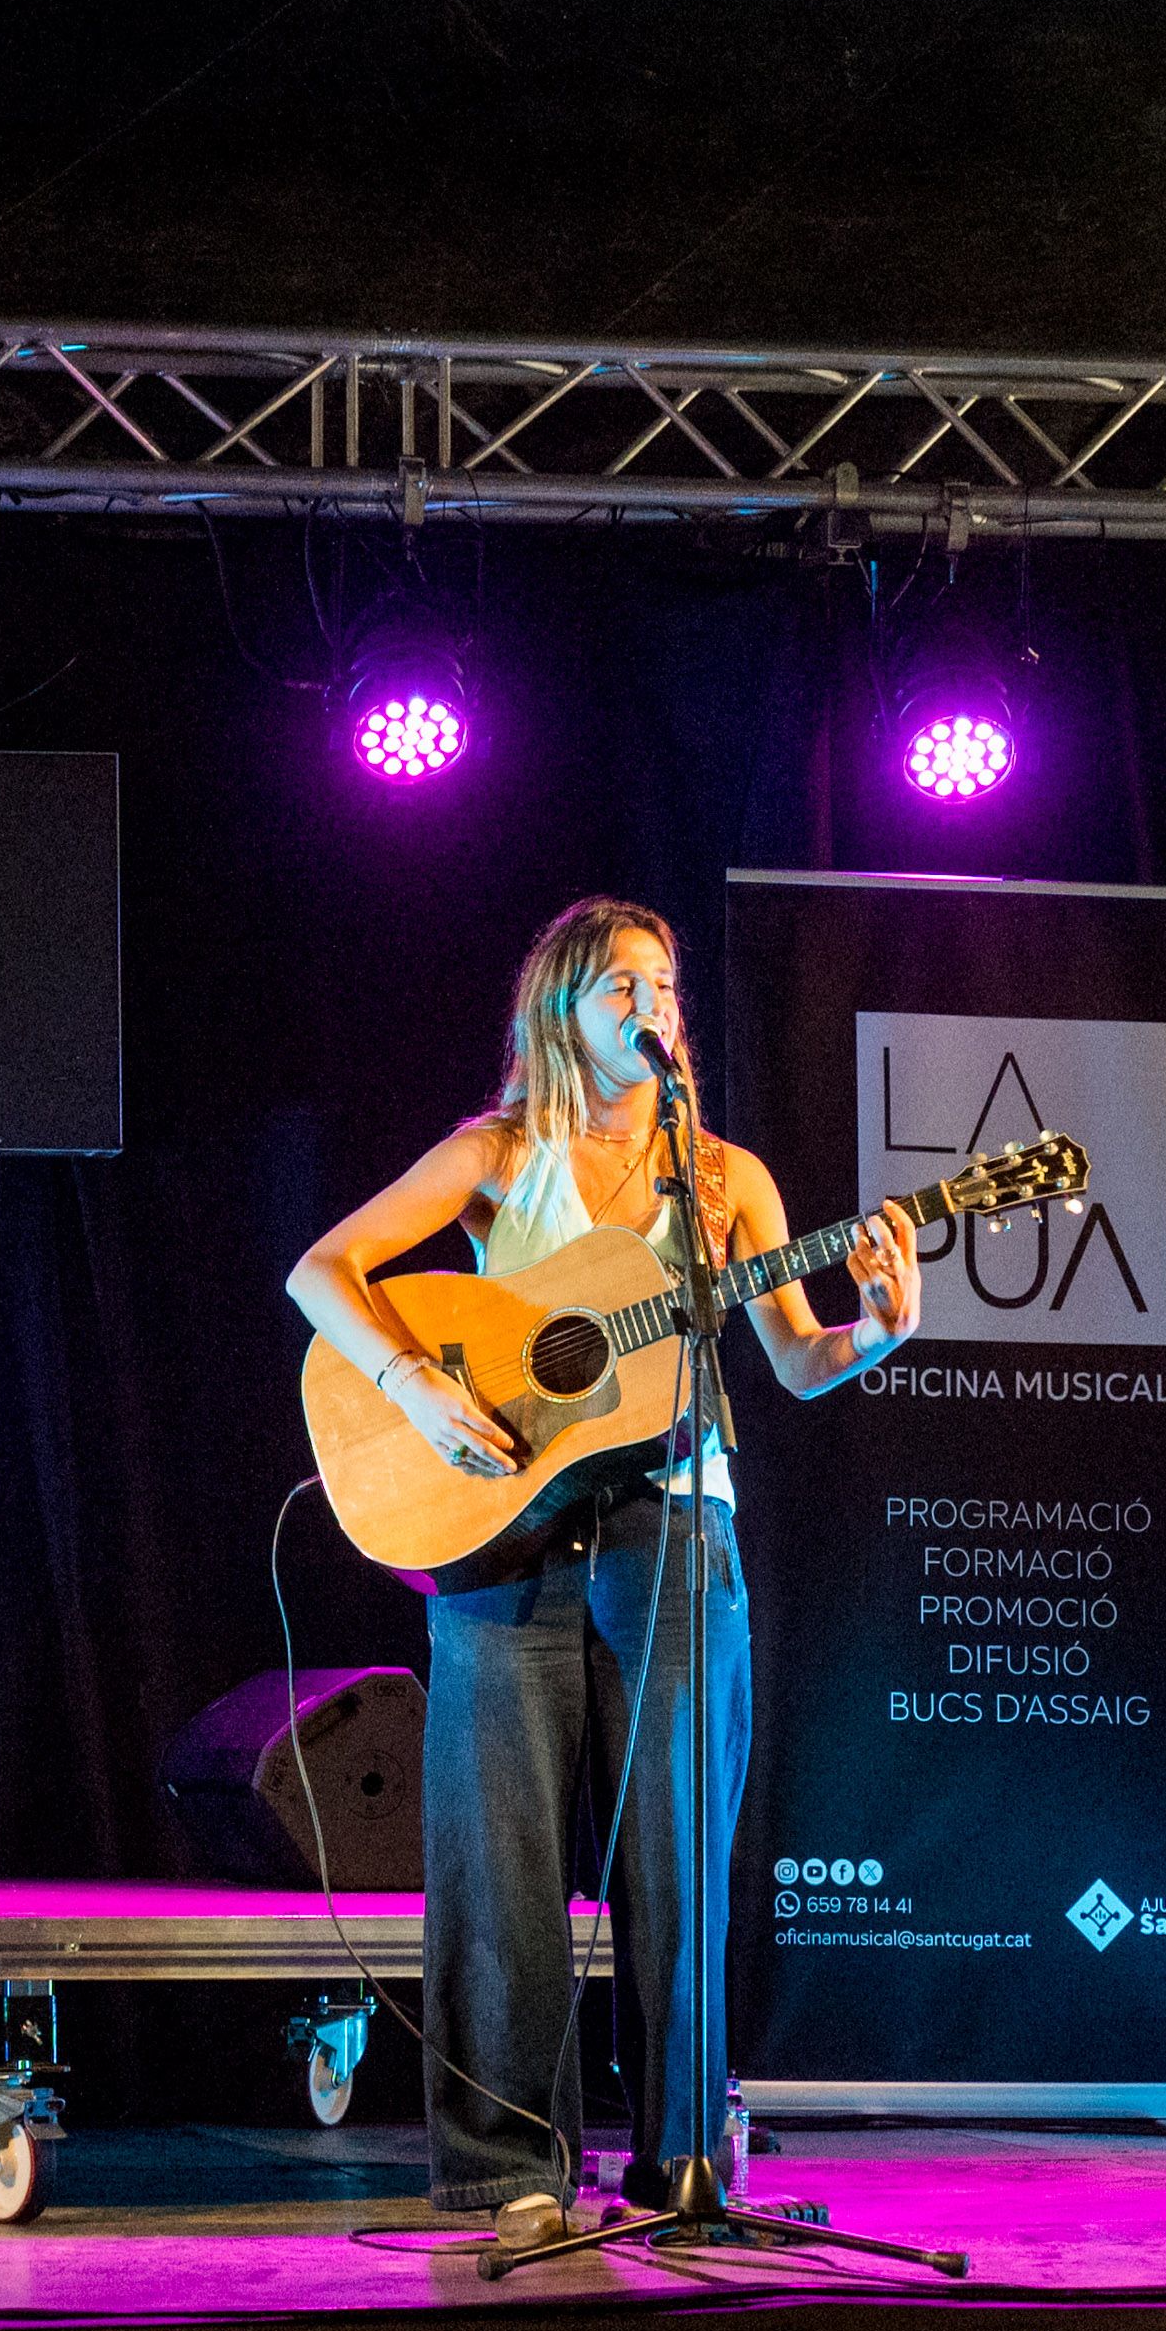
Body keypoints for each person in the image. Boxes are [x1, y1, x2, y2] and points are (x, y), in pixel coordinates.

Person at [286, 895, 918, 2225]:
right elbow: (321, 1271)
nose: (652, 1007)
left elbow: (800, 1363)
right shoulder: (498, 1155)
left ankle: (685, 2160)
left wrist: (879, 1329)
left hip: (677, 1530)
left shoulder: (727, 1178)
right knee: (499, 1866)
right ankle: (510, 2171)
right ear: (558, 1010)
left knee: (679, 1853)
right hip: (505, 1541)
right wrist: (410, 1385)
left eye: (666, 986)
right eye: (620, 985)